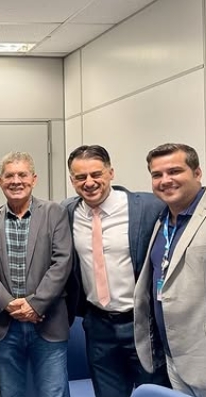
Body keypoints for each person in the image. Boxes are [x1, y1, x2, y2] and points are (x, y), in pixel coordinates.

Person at [63, 145, 170, 396]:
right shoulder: (67, 212)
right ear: (72, 180)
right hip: (98, 325)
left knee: (152, 392)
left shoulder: (149, 206)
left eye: (96, 174)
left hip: (142, 324)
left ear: (111, 172)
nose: (89, 182)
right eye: (80, 177)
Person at [135, 143, 206, 397]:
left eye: (174, 171)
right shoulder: (163, 220)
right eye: (157, 175)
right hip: (176, 359)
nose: (165, 180)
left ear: (197, 173)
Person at [0, 152, 72, 397]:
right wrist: (9, 304)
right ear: (0, 181)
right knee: (11, 393)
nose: (16, 181)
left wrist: (34, 305)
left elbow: (62, 262)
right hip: (5, 326)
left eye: (22, 175)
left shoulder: (55, 213)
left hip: (47, 321)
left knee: (53, 393)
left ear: (34, 179)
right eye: (9, 176)